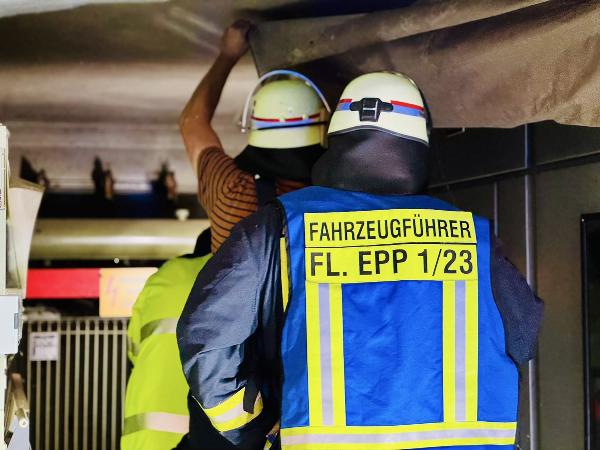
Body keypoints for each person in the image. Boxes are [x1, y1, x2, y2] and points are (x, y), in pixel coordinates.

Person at [177, 72, 544, 450]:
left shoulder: (279, 226)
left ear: (335, 141)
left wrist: (251, 427)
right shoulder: (471, 235)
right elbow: (522, 337)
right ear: (420, 146)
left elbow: (207, 336)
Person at [179, 20, 330, 254]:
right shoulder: (337, 193)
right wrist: (228, 55)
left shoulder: (231, 192)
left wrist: (227, 56)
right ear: (322, 126)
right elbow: (191, 123)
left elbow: (192, 123)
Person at [121, 230, 225, 450]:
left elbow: (133, 349)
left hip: (142, 437)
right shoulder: (229, 272)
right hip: (196, 438)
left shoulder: (163, 277)